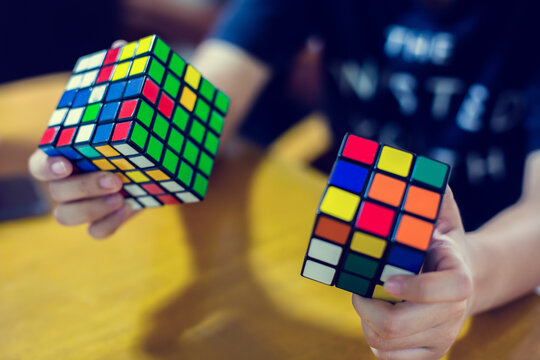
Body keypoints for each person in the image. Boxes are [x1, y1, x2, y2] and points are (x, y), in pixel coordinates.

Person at [28, 0, 540, 358]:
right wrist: (111, 157)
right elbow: (207, 102)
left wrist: (470, 271)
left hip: (510, 287)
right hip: (350, 274)